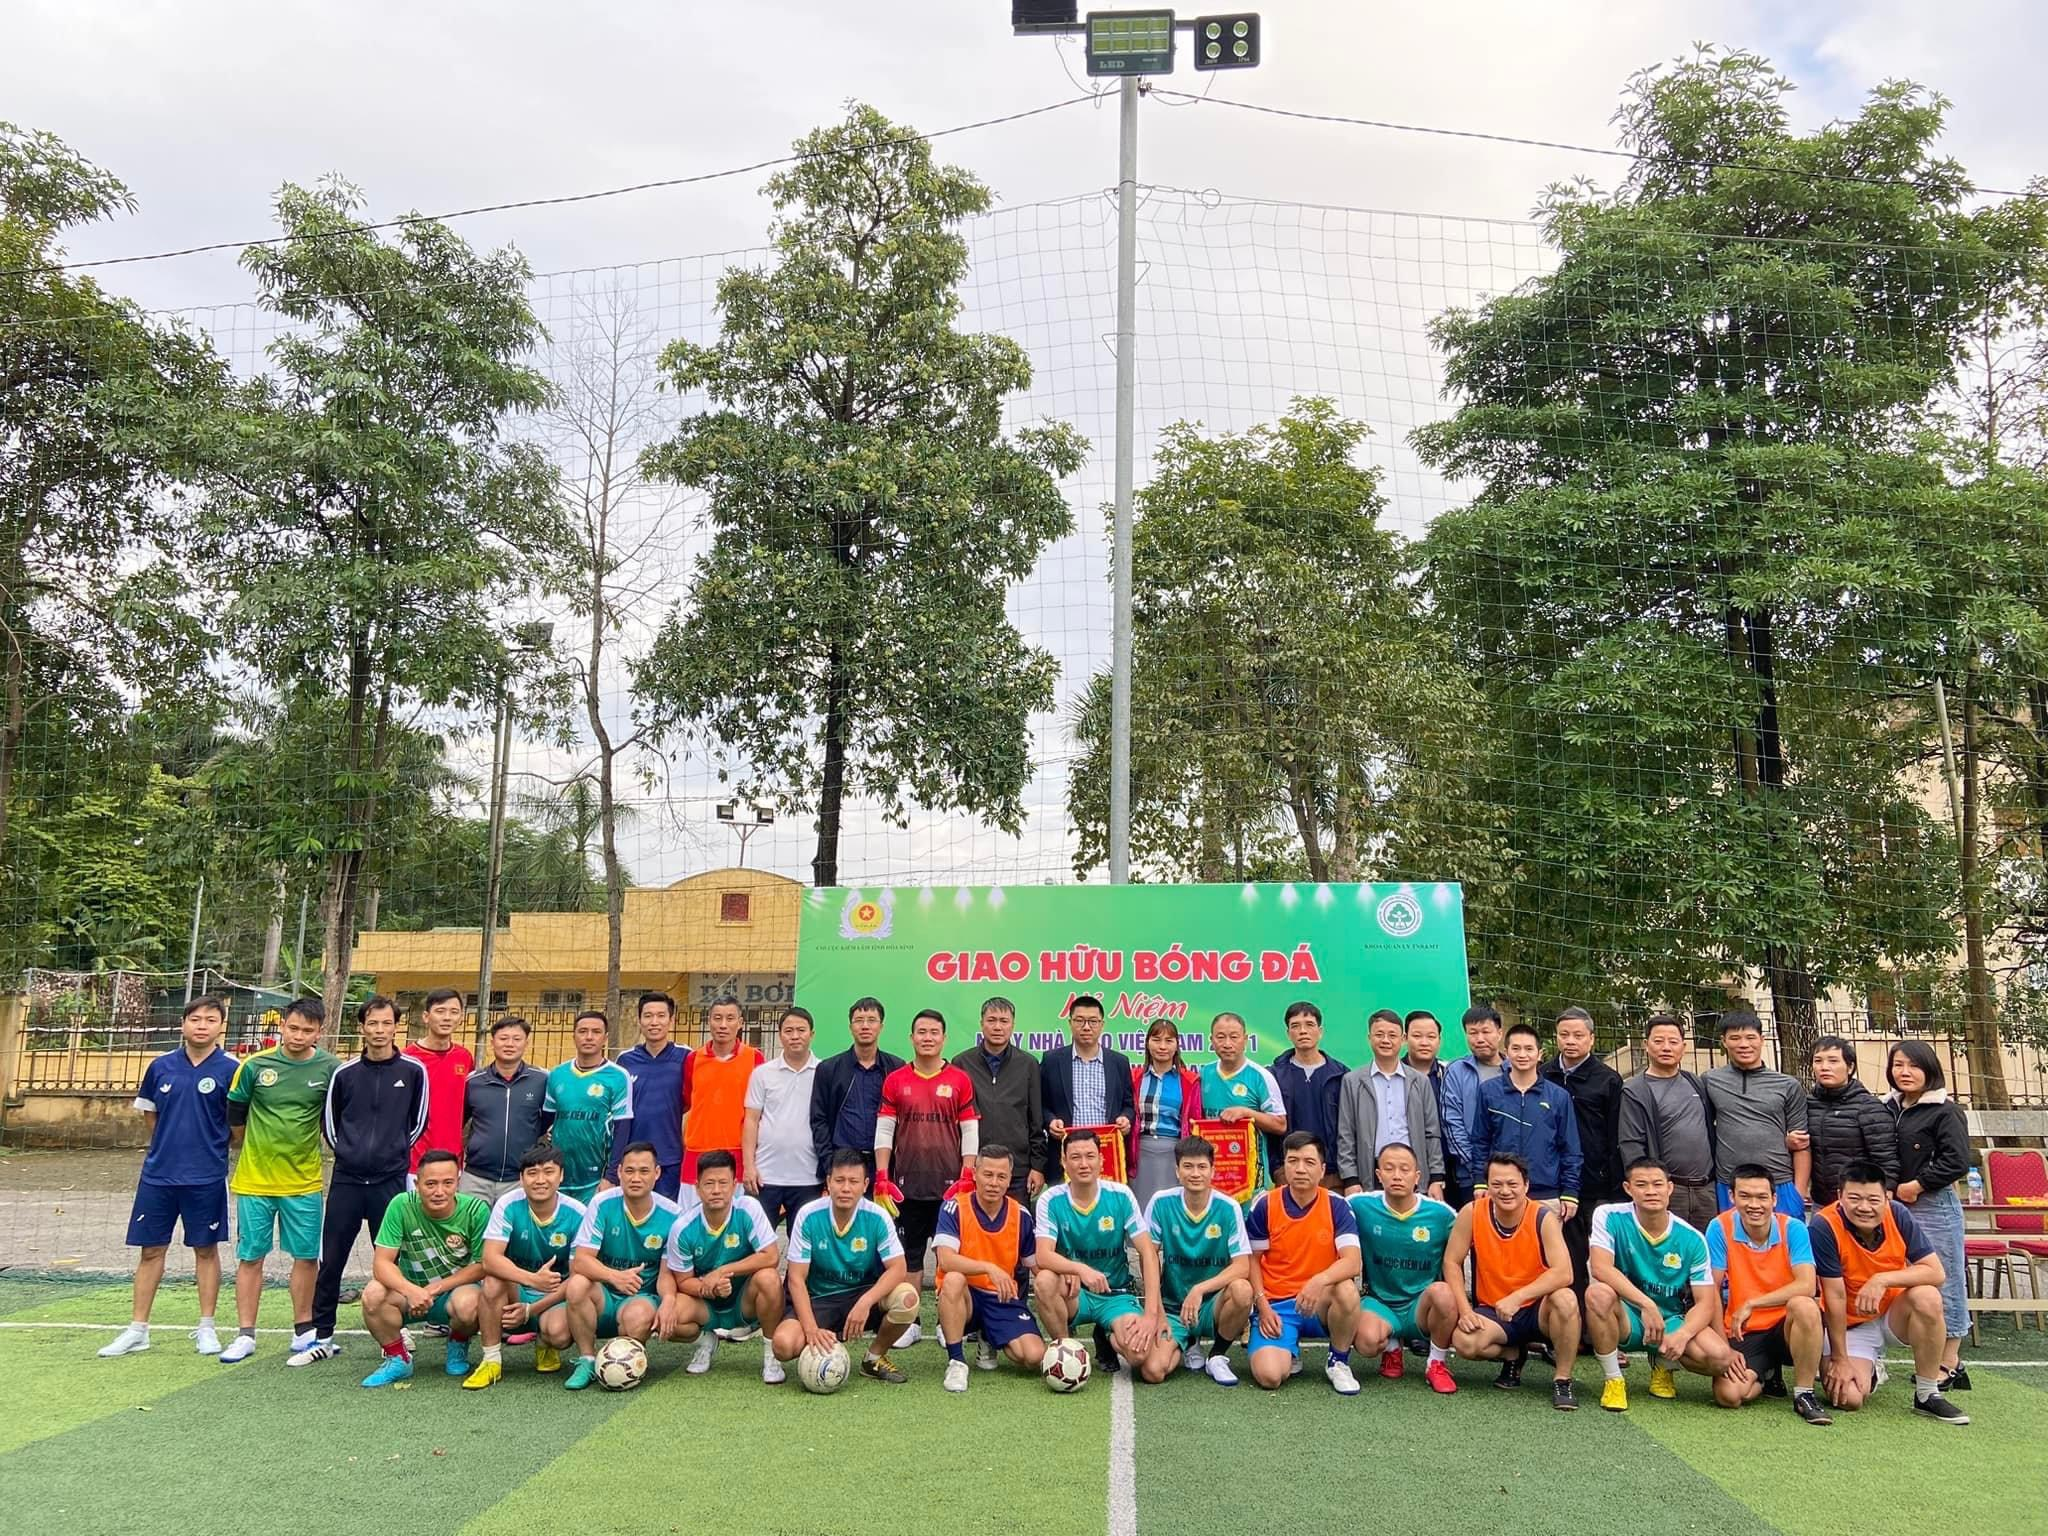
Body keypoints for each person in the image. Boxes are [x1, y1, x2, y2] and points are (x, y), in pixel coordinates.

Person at [99, 994, 238, 1360]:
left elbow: (236, 1126)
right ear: (182, 1024)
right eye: (195, 1019)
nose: (202, 1025)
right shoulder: (160, 1066)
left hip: (206, 1176)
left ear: (221, 1026)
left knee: (205, 1249)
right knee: (150, 1251)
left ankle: (206, 1327)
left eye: (210, 1019)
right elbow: (152, 1117)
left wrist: (208, 1147)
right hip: (158, 1175)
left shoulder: (232, 1069)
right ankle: (137, 1330)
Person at [294, 994, 428, 1367]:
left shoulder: (413, 1071)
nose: (379, 1030)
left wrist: (391, 1154)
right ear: (362, 1028)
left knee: (392, 1260)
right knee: (331, 1259)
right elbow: (330, 1123)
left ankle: (397, 1330)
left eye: (386, 1023)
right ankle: (322, 1336)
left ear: (396, 1027)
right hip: (348, 1181)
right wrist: (350, 1155)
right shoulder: (345, 1073)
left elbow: (418, 1123)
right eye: (373, 1023)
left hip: (389, 1181)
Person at [218, 995, 337, 1364]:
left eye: (307, 1030)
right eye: (293, 1028)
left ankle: (303, 1330)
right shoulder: (255, 1066)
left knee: (306, 1257)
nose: (298, 1036)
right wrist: (255, 1147)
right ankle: (245, 1334)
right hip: (255, 1181)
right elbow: (236, 1115)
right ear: (282, 1026)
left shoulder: (331, 1069)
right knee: (251, 1257)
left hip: (304, 1182)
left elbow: (332, 1118)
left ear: (319, 1032)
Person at [1809, 1161, 1967, 1423]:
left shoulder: (1898, 1213)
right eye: (1854, 1198)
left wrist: (1881, 1280)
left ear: (1886, 1198)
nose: (1864, 1207)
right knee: (1848, 1399)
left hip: (1893, 1314)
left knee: (1927, 1296)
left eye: (1873, 1199)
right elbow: (1834, 1296)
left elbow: (1936, 1272)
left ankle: (1927, 1393)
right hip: (1850, 1325)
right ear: (1840, 1196)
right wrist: (1840, 1358)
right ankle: (1870, 1367)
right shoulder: (1823, 1225)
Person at [1583, 1157, 1742, 1412]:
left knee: (1720, 1358)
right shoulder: (1609, 1215)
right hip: (1629, 1316)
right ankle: (1613, 1379)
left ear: (1669, 1188)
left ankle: (1663, 1363)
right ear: (1628, 1189)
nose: (1651, 1191)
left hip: (1670, 1320)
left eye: (1657, 1184)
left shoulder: (1692, 1238)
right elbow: (1601, 1268)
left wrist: (1682, 1335)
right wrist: (1646, 1304)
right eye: (1641, 1185)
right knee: (1597, 1294)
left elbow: (1705, 1302)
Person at [1437, 1153, 1582, 1409]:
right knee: (1464, 1342)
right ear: (1487, 1186)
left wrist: (1519, 1297)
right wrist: (1465, 1310)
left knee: (1566, 1299)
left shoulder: (1542, 1216)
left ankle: (1562, 1379)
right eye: (1497, 1184)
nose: (1505, 1191)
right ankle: (1513, 1354)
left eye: (1512, 1184)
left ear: (1526, 1185)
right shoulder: (1472, 1212)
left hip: (1537, 1309)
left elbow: (1564, 1272)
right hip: (1495, 1310)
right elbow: (1451, 1262)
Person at [771, 1148, 922, 1384]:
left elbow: (898, 1268)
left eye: (853, 1181)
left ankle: (873, 1358)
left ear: (865, 1185)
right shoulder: (808, 1215)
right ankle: (822, 1345)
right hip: (818, 1298)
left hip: (860, 1294)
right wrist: (811, 1329)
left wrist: (866, 1302)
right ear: (828, 1182)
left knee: (907, 1299)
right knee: (783, 1345)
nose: (846, 1188)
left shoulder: (878, 1216)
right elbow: (796, 1279)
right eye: (839, 1180)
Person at [1033, 1129, 1164, 1377]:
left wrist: (1151, 1314)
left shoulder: (1121, 1195)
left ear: (1102, 1160)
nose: (1083, 1164)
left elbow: (1148, 1252)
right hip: (1075, 1293)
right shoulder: (1050, 1199)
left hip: (1115, 1294)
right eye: (1075, 1157)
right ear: (1063, 1162)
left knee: (1139, 1355)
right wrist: (1078, 1269)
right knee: (1045, 1281)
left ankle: (1106, 1335)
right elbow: (1043, 1255)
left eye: (1090, 1156)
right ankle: (1067, 1351)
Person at [875, 1008, 978, 1323]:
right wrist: (881, 1175)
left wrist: (968, 1173)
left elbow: (970, 1130)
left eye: (934, 1032)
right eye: (922, 1032)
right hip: (906, 1188)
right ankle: (911, 1321)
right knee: (910, 1258)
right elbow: (885, 1130)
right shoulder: (896, 1080)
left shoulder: (960, 1079)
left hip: (951, 1189)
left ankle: (952, 1322)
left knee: (952, 1259)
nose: (928, 1038)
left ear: (944, 1038)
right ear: (912, 1037)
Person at [1706, 1164, 1831, 1424]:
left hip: (1786, 1327)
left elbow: (1807, 1285)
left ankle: (1804, 1394)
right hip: (1746, 1329)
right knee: (1728, 1395)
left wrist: (1753, 1303)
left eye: (1762, 1197)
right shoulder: (1719, 1227)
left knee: (1805, 1305)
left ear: (1774, 1199)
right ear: (1732, 1197)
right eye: (1745, 1196)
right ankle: (1767, 1375)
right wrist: (1722, 1346)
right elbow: (1711, 1290)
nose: (1754, 1205)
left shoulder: (1793, 1228)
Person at [357, 1149, 488, 1387]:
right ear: (417, 1184)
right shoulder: (401, 1205)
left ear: (458, 1182)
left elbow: (482, 1266)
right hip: (409, 1293)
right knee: (372, 1294)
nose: (439, 1191)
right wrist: (410, 1290)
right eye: (431, 1184)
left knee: (471, 1303)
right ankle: (398, 1359)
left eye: (448, 1183)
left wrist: (434, 1288)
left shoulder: (476, 1210)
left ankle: (458, 1343)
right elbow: (381, 1263)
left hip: (453, 1292)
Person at [1245, 1131, 1364, 1394]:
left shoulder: (1337, 1205)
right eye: (1293, 1161)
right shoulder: (1265, 1204)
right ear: (1284, 1167)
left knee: (1346, 1289)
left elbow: (1353, 1262)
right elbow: (1252, 1261)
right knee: (1269, 1376)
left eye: (1309, 1162)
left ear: (1322, 1170)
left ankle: (1338, 1361)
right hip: (1277, 1305)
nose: (1300, 1169)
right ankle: (1290, 1352)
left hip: (1319, 1301)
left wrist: (1319, 1280)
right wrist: (1262, 1305)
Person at [562, 1140, 685, 1390]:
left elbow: (666, 1274)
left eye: (644, 1171)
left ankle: (622, 1362)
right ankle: (587, 1360)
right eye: (629, 1170)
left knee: (638, 1317)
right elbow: (581, 1261)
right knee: (576, 1285)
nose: (635, 1178)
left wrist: (669, 1300)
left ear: (657, 1173)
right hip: (604, 1294)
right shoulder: (602, 1203)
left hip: (641, 1296)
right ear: (619, 1172)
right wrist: (614, 1276)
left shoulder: (673, 1215)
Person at [1885, 1039, 1972, 1393]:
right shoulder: (1890, 1107)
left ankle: (1949, 1362)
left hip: (1933, 1204)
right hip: (1896, 1204)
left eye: (1913, 1065)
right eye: (1898, 1065)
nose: (1904, 1072)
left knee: (1943, 1279)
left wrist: (1918, 1185)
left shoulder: (1944, 1110)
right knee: (1907, 1278)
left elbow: (1957, 1160)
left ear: (1929, 1069)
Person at [463, 1140, 585, 1388]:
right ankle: (491, 1360)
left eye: (548, 1172)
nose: (540, 1180)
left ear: (561, 1176)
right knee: (493, 1279)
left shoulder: (578, 1213)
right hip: (516, 1288)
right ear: (521, 1178)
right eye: (532, 1173)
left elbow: (578, 1277)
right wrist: (531, 1279)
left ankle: (545, 1342)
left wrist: (532, 1309)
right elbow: (489, 1259)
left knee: (559, 1334)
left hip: (554, 1294)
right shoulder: (507, 1204)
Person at [659, 1149, 784, 1383]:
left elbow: (771, 1256)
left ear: (735, 1185)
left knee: (769, 1278)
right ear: (697, 1187)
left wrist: (723, 1272)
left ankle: (771, 1355)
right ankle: (705, 1341)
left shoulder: (748, 1209)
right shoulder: (683, 1227)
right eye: (709, 1184)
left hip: (744, 1302)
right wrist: (710, 1288)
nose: (716, 1190)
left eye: (723, 1183)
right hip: (705, 1305)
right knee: (668, 1313)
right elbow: (683, 1281)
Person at [1141, 1135, 1254, 1386]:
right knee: (1152, 1371)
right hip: (1173, 1307)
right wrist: (1157, 1311)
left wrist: (1200, 1289)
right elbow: (1148, 1257)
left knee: (1243, 1290)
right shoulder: (1161, 1202)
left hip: (1213, 1304)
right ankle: (1188, 1342)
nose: (1195, 1173)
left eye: (1202, 1167)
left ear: (1213, 1171)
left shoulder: (1228, 1207)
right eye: (1188, 1166)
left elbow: (1242, 1266)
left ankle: (1217, 1356)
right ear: (1177, 1171)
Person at [936, 1145, 1048, 1392]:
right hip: (966, 1297)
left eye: (1001, 1176)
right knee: (953, 1279)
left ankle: (988, 1335)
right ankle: (957, 1361)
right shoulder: (954, 1207)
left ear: (1009, 1179)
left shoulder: (1021, 1214)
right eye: (988, 1174)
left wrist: (1062, 1277)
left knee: (1033, 1356)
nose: (994, 1183)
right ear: (975, 1174)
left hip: (1001, 1298)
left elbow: (1035, 1264)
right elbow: (946, 1260)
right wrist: (988, 1268)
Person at [1349, 1141, 1459, 1392]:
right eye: (1389, 1169)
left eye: (1404, 1169)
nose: (1397, 1175)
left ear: (1417, 1176)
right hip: (1380, 1302)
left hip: (1420, 1305)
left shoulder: (1442, 1214)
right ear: (1378, 1175)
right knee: (1366, 1342)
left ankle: (1436, 1363)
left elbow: (1469, 1241)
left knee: (1444, 1293)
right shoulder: (1360, 1205)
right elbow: (1326, 1206)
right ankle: (1392, 1348)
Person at [1542, 1007, 1623, 1294]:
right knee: (1567, 1257)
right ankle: (1572, 1315)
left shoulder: (1608, 1079)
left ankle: (1602, 1314)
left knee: (1605, 1259)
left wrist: (1614, 1185)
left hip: (1595, 1182)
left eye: (1578, 1035)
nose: (1570, 1041)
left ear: (1591, 1038)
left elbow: (1615, 1135)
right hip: (1556, 1181)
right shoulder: (1543, 1075)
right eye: (1564, 1035)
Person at [1701, 1012, 1809, 1217]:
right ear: (1724, 1041)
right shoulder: (1710, 1081)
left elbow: (1802, 1143)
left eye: (1750, 1037)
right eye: (1735, 1038)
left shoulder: (1788, 1085)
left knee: (1784, 1237)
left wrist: (1799, 1193)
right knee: (1734, 1237)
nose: (1744, 1045)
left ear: (1762, 1039)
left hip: (1779, 1183)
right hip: (1729, 1184)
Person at [1469, 1022, 1582, 1215]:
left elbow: (1570, 1148)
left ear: (1540, 1054)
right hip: (1501, 1190)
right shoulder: (1488, 1091)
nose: (1522, 1055)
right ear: (1506, 1052)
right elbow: (1480, 1141)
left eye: (1529, 1049)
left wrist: (1570, 1191)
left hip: (1546, 1192)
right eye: (1516, 1048)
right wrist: (1481, 1181)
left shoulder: (1558, 1096)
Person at [1619, 1014, 1718, 1230]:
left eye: (1673, 1042)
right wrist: (1650, 1187)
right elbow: (1631, 1144)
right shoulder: (1635, 1090)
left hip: (1706, 1189)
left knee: (1704, 1248)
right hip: (1667, 1191)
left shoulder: (1696, 1083)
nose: (1666, 1047)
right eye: (1658, 1041)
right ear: (1646, 1045)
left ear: (1683, 1047)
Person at [1336, 1008, 1445, 1199]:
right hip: (1371, 1170)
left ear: (1402, 1039)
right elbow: (1346, 1134)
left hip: (1411, 1169)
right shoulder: (1352, 1081)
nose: (1386, 1040)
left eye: (1392, 1035)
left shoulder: (1419, 1081)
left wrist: (1436, 1177)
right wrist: (1350, 1179)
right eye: (1379, 1035)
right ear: (1369, 1038)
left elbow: (1432, 1132)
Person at [953, 995, 1045, 1202]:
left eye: (1004, 1021)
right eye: (991, 1020)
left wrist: (1037, 1167)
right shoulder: (961, 1063)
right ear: (981, 1024)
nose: (997, 1027)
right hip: (973, 1167)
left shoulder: (1028, 1064)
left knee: (1016, 1221)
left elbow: (1036, 1120)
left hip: (1017, 1170)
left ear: (1012, 1025)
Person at [742, 1004, 821, 1234]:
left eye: (801, 1030)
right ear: (780, 1035)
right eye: (788, 1031)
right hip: (765, 1175)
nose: (795, 1036)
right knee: (756, 1239)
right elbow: (751, 1120)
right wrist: (749, 1166)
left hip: (808, 1176)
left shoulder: (824, 1071)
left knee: (804, 1242)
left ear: (812, 1034)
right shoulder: (762, 1073)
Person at [1040, 994, 1135, 1181]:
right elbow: (1041, 1104)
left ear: (1102, 1025)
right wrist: (1050, 1121)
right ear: (1070, 1023)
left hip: (1106, 1152)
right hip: (1065, 1152)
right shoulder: (1052, 1060)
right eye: (1079, 1021)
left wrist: (1126, 1118)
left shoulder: (1119, 1062)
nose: (1086, 1027)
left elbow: (1128, 1104)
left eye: (1093, 1021)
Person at [809, 996, 904, 1184]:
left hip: (883, 1167)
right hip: (842, 1165)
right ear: (850, 1027)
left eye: (871, 1020)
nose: (865, 1026)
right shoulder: (829, 1069)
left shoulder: (896, 1068)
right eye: (859, 1021)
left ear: (881, 1026)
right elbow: (819, 1120)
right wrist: (829, 1164)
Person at [543, 1009, 634, 1204]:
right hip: (557, 1176)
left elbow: (622, 1130)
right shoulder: (557, 1074)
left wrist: (611, 1176)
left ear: (605, 1038)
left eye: (596, 1032)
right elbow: (545, 1123)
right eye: (583, 1031)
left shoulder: (618, 1076)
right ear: (574, 1036)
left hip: (596, 1179)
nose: (589, 1037)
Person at [461, 1014, 551, 1206]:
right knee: (471, 1224)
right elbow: (458, 1122)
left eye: (517, 1039)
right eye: (503, 1038)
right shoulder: (474, 1081)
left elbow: (548, 1121)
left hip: (521, 1178)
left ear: (526, 1043)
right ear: (492, 1042)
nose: (509, 1044)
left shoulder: (542, 1080)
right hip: (476, 1177)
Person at [1197, 1012, 1285, 1199]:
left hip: (1250, 1175)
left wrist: (1246, 1113)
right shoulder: (1204, 1073)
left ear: (1245, 1040)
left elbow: (1280, 1124)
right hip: (1211, 1173)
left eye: (1234, 1037)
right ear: (1211, 1040)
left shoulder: (1261, 1076)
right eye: (1220, 1037)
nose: (1227, 1043)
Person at [611, 991, 688, 1199]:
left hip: (671, 1158)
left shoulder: (686, 1057)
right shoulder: (625, 1061)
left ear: (671, 1020)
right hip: (633, 1159)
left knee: (667, 1214)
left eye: (661, 1016)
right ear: (639, 1020)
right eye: (648, 1016)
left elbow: (691, 1103)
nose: (654, 1022)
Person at [1807, 1036, 1898, 1208]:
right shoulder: (1808, 1104)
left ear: (1850, 1067)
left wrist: (1886, 1193)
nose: (1824, 1067)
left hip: (1860, 1202)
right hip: (1821, 1202)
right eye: (1818, 1061)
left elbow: (1886, 1158)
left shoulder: (1869, 1107)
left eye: (1833, 1061)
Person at [681, 994, 763, 1182]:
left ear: (740, 1023)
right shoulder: (693, 1059)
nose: (723, 1025)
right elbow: (688, 1102)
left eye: (730, 1018)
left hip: (739, 1153)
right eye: (717, 1018)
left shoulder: (754, 1058)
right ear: (708, 1021)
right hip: (697, 1152)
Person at [1269, 1000, 1348, 1183]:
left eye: (1309, 1025)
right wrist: (1277, 1169)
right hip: (1288, 1171)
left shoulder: (1341, 1075)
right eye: (1295, 1026)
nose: (1303, 1031)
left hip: (1332, 1173)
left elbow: (1350, 1129)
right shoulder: (1274, 1075)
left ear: (1320, 1031)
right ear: (1288, 1033)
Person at [1130, 1019, 1201, 1210]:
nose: (1162, 1046)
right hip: (1139, 1153)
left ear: (1177, 1045)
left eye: (1169, 1041)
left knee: (1171, 1210)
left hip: (1175, 1152)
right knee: (1140, 1209)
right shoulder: (1133, 1077)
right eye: (1156, 1040)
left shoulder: (1189, 1081)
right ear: (1147, 1043)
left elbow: (1195, 1123)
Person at [1441, 1002, 1505, 1208]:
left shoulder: (1515, 1068)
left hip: (1513, 1175)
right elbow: (1452, 1123)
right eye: (1473, 1033)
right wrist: (1477, 1167)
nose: (1480, 1039)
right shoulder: (1456, 1070)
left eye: (1486, 1031)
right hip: (1470, 1176)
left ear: (1499, 1033)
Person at [405, 987, 475, 1174]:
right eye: (440, 1011)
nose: (447, 1018)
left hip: (452, 1160)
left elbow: (466, 1106)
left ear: (461, 1018)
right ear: (426, 1017)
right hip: (414, 1161)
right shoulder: (408, 1059)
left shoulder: (464, 1057)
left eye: (454, 1012)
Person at [1402, 1011, 1451, 1144]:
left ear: (1439, 1040)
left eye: (1431, 1036)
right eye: (1417, 1036)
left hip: (1447, 1152)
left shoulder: (1450, 1074)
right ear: (1405, 1038)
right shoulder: (1395, 1075)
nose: (1424, 1043)